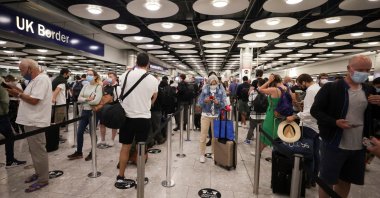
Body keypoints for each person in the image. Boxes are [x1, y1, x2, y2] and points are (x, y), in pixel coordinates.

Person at [310, 55, 380, 198]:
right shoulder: (331, 88)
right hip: (333, 142)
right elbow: (315, 110)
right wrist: (334, 122)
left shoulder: (368, 89)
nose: (364, 73)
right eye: (360, 69)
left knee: (346, 180)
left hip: (358, 145)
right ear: (349, 68)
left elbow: (373, 115)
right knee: (327, 179)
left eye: (367, 70)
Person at [6, 59, 51, 192]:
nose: (21, 73)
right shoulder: (35, 80)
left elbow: (34, 100)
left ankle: (43, 178)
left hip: (35, 121)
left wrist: (18, 94)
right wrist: (14, 88)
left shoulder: (42, 80)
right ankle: (39, 173)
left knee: (39, 150)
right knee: (34, 150)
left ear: (31, 69)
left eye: (22, 70)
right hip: (30, 120)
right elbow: (28, 95)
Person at [115, 53, 158, 185]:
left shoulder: (125, 75)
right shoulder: (153, 80)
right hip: (143, 117)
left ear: (136, 62)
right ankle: (140, 177)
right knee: (141, 148)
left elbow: (117, 92)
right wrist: (147, 104)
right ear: (148, 64)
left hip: (126, 117)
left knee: (125, 147)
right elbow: (154, 97)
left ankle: (121, 176)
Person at [286, 73, 320, 187]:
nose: (300, 87)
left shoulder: (310, 90)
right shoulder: (317, 88)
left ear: (304, 82)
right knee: (315, 153)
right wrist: (303, 103)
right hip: (317, 127)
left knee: (308, 154)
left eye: (301, 84)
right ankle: (313, 179)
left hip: (309, 125)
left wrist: (295, 116)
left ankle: (307, 180)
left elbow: (310, 112)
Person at [67, 69, 102, 161]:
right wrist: (87, 99)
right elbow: (79, 98)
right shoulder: (86, 86)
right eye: (87, 74)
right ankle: (79, 152)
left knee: (92, 132)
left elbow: (96, 101)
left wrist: (86, 99)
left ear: (95, 76)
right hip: (84, 111)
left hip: (93, 112)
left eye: (90, 74)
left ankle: (93, 151)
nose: (88, 76)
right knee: (79, 132)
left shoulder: (98, 87)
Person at [197, 74, 227, 163]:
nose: (213, 85)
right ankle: (202, 154)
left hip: (215, 116)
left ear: (217, 83)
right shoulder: (204, 91)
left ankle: (214, 153)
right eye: (212, 83)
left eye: (215, 83)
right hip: (205, 115)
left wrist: (218, 103)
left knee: (215, 137)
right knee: (203, 136)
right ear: (209, 83)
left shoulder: (220, 91)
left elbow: (223, 104)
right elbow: (199, 103)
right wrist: (204, 101)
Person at [0, 77, 26, 168]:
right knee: (9, 136)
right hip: (1, 115)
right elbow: (4, 100)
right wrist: (5, 111)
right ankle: (10, 160)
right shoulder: (1, 81)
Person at [258, 74, 288, 154]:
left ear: (273, 80)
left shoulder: (274, 89)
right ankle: (275, 153)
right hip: (280, 114)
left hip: (271, 114)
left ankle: (259, 152)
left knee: (267, 133)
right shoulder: (285, 88)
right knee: (277, 133)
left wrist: (269, 81)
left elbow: (260, 89)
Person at [97, 71, 118, 147]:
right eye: (108, 77)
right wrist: (102, 86)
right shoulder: (106, 86)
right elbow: (100, 95)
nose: (109, 78)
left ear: (115, 77)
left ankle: (112, 139)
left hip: (114, 107)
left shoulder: (119, 86)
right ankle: (102, 139)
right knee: (102, 123)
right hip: (104, 108)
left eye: (111, 76)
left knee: (114, 125)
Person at [245, 78, 266, 144]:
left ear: (257, 84)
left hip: (254, 114)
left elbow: (249, 103)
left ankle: (248, 140)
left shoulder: (253, 92)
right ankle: (260, 141)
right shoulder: (267, 92)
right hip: (263, 115)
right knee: (261, 129)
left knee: (251, 128)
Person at [51, 68, 70, 141]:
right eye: (68, 74)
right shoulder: (62, 81)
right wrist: (54, 98)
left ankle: (56, 135)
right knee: (58, 121)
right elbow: (57, 90)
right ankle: (57, 136)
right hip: (60, 103)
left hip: (55, 103)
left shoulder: (56, 80)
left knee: (54, 121)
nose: (69, 75)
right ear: (65, 73)